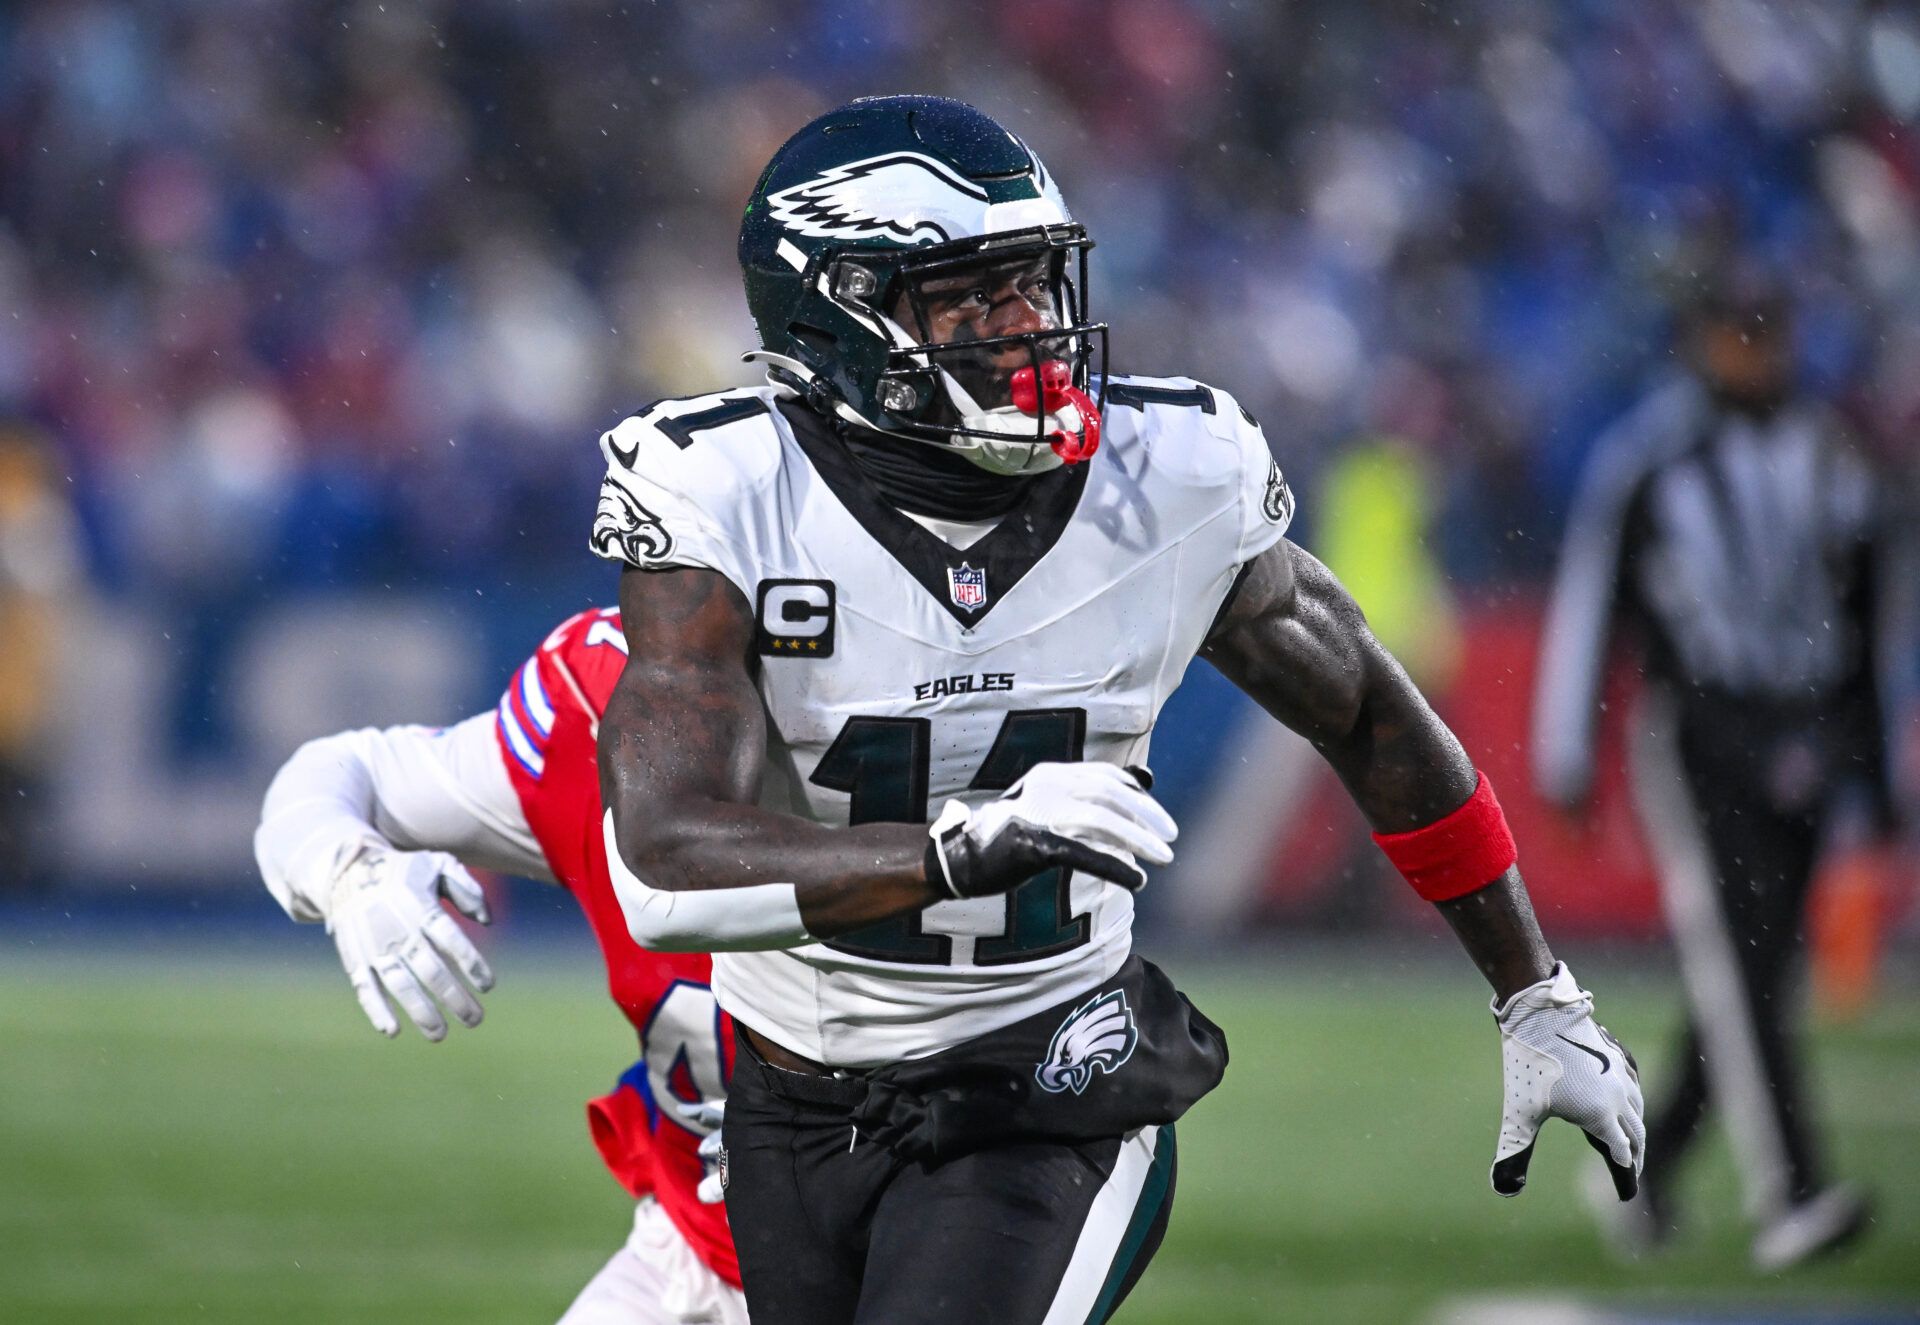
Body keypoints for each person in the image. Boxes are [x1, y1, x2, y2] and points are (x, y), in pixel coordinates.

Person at [590, 95, 1644, 1324]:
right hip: (789, 1101)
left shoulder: (1171, 475)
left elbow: (1366, 713)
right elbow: (665, 865)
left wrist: (1536, 989)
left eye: (1035, 286)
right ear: (840, 319)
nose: (1029, 328)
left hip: (1049, 1076)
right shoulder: (726, 492)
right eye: (971, 300)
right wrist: (964, 843)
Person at [1533, 271, 1904, 1269]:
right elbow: (1590, 605)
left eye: (1768, 329)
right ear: (1699, 342)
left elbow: (1869, 613)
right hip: (1698, 731)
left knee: (1753, 969)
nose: (1755, 350)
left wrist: (1873, 761)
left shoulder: (1832, 453)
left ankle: (1643, 1164)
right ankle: (1793, 1185)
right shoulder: (1653, 458)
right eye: (1736, 332)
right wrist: (1570, 754)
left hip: (1809, 730)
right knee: (1740, 957)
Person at [254, 604, 746, 1325]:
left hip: (910, 1240)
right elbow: (337, 770)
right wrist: (349, 871)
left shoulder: (947, 707)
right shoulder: (594, 697)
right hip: (695, 1250)